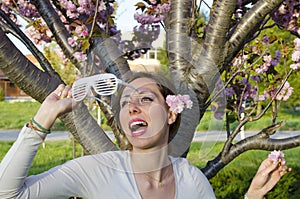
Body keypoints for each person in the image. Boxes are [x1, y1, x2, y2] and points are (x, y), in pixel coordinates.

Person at [0, 72, 291, 199]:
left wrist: (252, 196)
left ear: (172, 113)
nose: (132, 108)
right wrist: (44, 117)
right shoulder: (97, 170)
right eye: (126, 103)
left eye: (146, 100)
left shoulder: (192, 180)